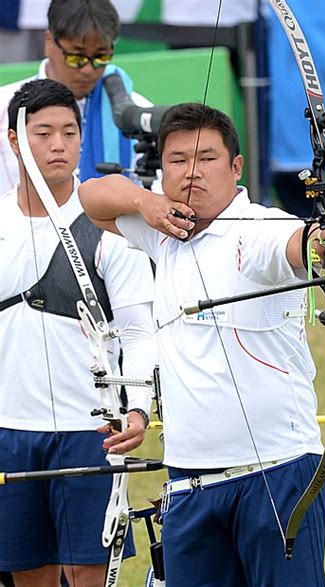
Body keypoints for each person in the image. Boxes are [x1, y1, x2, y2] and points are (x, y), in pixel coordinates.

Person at [78, 102, 325, 586]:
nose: (192, 172)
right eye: (177, 160)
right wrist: (145, 202)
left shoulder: (261, 229)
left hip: (276, 474)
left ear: (236, 167)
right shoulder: (163, 230)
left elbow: (298, 243)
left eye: (207, 158)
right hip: (190, 483)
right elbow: (91, 196)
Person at [0, 79, 156, 586]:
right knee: (29, 575)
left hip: (89, 431)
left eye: (69, 132)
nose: (58, 144)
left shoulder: (109, 228)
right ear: (14, 140)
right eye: (42, 132)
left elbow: (138, 331)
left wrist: (137, 407)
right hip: (9, 429)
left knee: (88, 574)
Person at [0, 0, 152, 193]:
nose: (88, 70)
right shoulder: (4, 108)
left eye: (101, 57)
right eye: (76, 58)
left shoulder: (136, 114)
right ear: (49, 41)